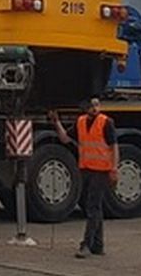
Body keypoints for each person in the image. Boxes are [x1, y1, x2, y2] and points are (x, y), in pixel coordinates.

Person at [51, 97, 119, 258]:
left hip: (101, 170)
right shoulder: (80, 122)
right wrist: (56, 122)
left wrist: (114, 168)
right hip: (87, 169)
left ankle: (87, 244)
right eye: (91, 105)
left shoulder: (106, 122)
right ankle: (98, 244)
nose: (95, 108)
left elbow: (114, 147)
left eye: (97, 105)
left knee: (92, 207)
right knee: (95, 206)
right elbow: (65, 138)